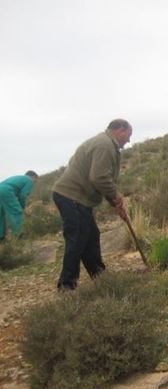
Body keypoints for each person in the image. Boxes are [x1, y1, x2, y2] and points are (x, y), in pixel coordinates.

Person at [52, 119, 131, 290]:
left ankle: (99, 276)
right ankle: (67, 285)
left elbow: (101, 179)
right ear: (120, 130)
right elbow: (99, 178)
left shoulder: (105, 143)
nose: (129, 141)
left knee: (91, 236)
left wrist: (115, 203)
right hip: (71, 196)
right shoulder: (104, 145)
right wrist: (116, 197)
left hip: (79, 199)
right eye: (128, 136)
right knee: (77, 238)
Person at [0, 171, 38, 241]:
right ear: (33, 177)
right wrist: (22, 207)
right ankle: (20, 235)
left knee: (1, 213)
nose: (35, 182)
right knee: (17, 212)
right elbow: (23, 195)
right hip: (6, 191)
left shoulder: (20, 178)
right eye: (35, 180)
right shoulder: (29, 180)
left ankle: (1, 237)